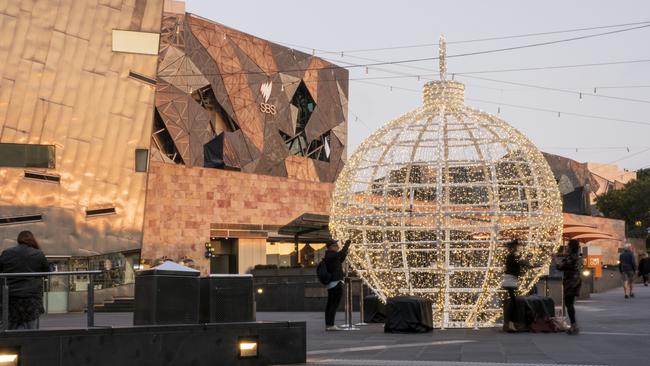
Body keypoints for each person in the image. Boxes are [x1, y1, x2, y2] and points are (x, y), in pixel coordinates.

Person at [0, 231, 49, 329]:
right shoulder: (39, 254)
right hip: (31, 298)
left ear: (18, 240)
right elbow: (46, 272)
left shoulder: (6, 253)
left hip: (11, 296)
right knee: (31, 329)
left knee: (9, 328)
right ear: (32, 240)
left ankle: (9, 343)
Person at [323, 239, 351, 331]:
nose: (338, 246)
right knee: (333, 305)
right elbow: (341, 253)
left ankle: (329, 324)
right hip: (335, 283)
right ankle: (330, 325)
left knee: (331, 305)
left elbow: (341, 258)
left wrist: (345, 251)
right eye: (336, 245)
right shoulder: (331, 255)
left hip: (333, 283)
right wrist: (347, 244)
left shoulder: (330, 255)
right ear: (331, 247)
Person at [557, 239, 582, 335]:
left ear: (571, 247)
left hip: (571, 282)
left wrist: (555, 260)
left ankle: (573, 325)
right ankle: (573, 325)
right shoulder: (573, 256)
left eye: (568, 245)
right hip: (573, 281)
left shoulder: (572, 257)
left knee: (569, 304)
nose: (566, 247)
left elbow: (560, 267)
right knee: (569, 303)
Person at [503, 239, 526, 333]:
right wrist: (535, 265)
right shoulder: (513, 256)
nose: (520, 248)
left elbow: (522, 264)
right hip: (510, 280)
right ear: (514, 247)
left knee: (513, 302)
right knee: (513, 303)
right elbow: (523, 263)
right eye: (518, 246)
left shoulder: (512, 256)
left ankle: (509, 324)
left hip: (510, 280)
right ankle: (510, 324)